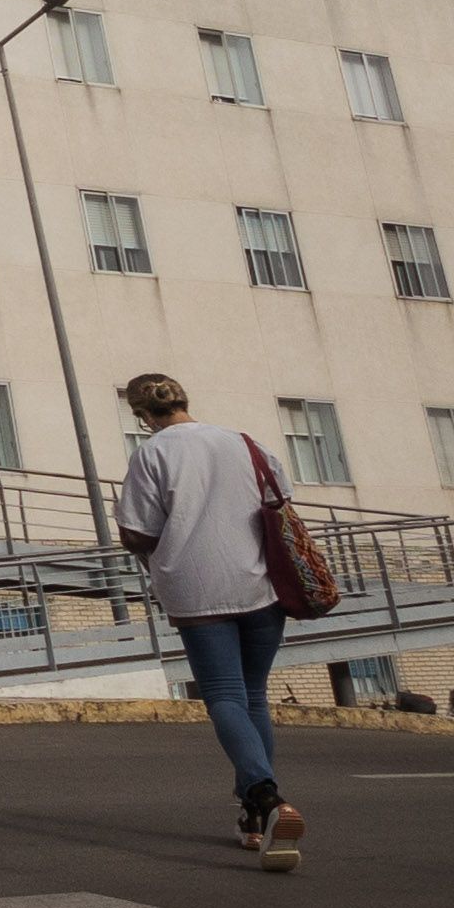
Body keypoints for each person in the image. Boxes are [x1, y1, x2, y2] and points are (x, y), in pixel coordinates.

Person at [114, 372, 307, 871]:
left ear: (142, 415)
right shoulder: (245, 442)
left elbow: (137, 532)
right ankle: (253, 816)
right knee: (253, 695)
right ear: (184, 400)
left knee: (223, 695)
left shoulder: (152, 454)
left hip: (197, 590)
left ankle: (265, 797)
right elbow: (280, 502)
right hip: (261, 585)